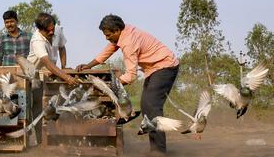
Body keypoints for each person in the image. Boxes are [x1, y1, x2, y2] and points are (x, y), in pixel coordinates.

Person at [76, 14, 179, 156]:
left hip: (165, 66)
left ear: (117, 30)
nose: (106, 38)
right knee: (146, 105)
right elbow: (107, 51)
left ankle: (159, 151)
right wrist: (88, 66)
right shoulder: (124, 33)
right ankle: (156, 148)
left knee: (152, 106)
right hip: (153, 69)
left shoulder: (128, 42)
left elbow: (131, 76)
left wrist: (109, 87)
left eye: (108, 35)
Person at [27, 13, 78, 145]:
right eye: (47, 30)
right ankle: (40, 140)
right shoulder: (36, 41)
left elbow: (62, 48)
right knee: (38, 107)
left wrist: (64, 67)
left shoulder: (58, 30)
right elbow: (47, 63)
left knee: (58, 104)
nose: (51, 32)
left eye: (52, 29)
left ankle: (59, 136)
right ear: (39, 29)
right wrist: (66, 77)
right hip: (35, 74)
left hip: (53, 72)